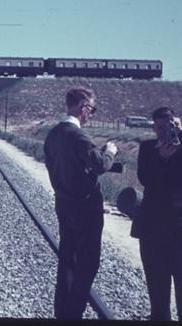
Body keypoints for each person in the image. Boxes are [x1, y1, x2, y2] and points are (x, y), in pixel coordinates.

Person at [44, 86, 118, 320]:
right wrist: (110, 152)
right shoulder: (78, 136)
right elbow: (100, 165)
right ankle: (73, 313)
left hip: (63, 202)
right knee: (88, 263)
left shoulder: (53, 134)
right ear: (82, 106)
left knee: (68, 259)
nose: (91, 114)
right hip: (85, 207)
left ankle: (62, 313)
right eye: (92, 109)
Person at [136, 107, 182, 321]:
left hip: (180, 221)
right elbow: (145, 179)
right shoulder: (147, 148)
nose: (161, 131)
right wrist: (160, 158)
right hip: (153, 221)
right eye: (157, 127)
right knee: (156, 275)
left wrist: (181, 132)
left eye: (166, 126)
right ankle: (159, 316)